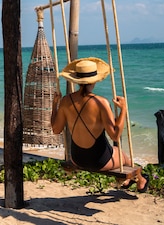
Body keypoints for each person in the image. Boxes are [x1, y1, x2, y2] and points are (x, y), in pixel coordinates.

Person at [50, 57, 148, 192]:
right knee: (123, 155)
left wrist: (54, 104)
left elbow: (56, 129)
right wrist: (123, 109)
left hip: (77, 158)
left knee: (116, 153)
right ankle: (141, 180)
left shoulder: (66, 101)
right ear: (95, 80)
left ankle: (129, 180)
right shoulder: (100, 103)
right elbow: (115, 135)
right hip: (99, 161)